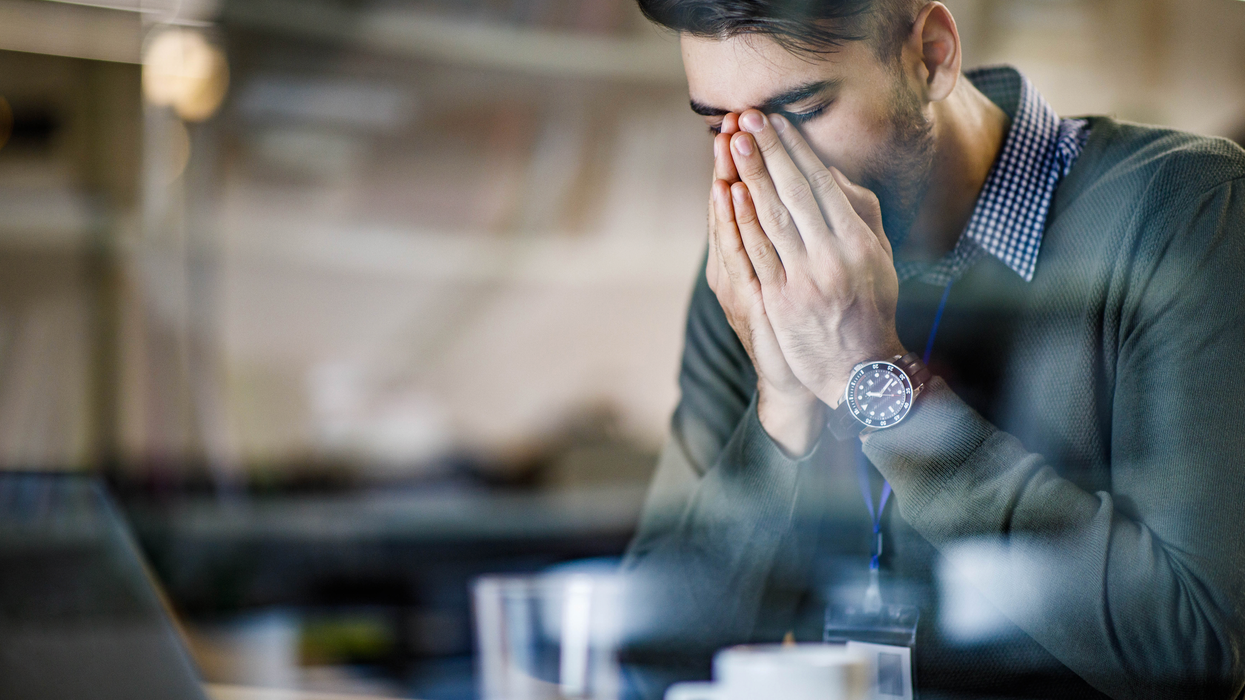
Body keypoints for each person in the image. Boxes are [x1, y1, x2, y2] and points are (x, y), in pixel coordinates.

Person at [619, 1, 1245, 698]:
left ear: (932, 56)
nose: (762, 171)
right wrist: (784, 407)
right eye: (719, 126)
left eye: (800, 112)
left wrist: (870, 378)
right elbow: (649, 656)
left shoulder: (1186, 212)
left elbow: (1199, 658)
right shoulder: (754, 264)